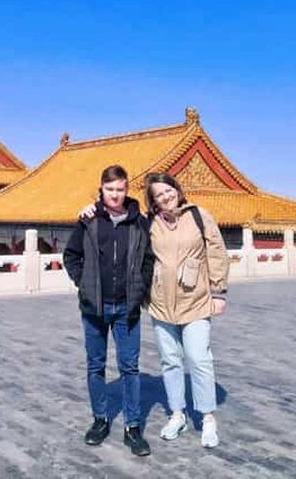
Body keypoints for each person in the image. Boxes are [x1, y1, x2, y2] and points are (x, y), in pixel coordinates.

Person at [79, 171, 229, 448]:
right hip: (160, 303)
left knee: (198, 358)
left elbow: (217, 251)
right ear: (153, 201)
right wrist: (92, 209)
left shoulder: (198, 216)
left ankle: (207, 418)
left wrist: (218, 291)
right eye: (159, 195)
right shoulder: (149, 223)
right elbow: (128, 242)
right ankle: (177, 414)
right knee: (170, 361)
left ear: (177, 190)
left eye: (168, 190)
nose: (166, 196)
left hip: (194, 299)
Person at [63, 165, 154, 456]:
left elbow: (148, 260)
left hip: (127, 307)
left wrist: (140, 287)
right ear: (101, 189)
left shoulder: (139, 223)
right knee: (95, 365)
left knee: (130, 367)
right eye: (110, 189)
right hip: (95, 307)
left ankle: (132, 427)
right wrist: (83, 283)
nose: (115, 194)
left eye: (120, 189)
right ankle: (100, 420)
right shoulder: (88, 220)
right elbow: (71, 255)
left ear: (127, 190)